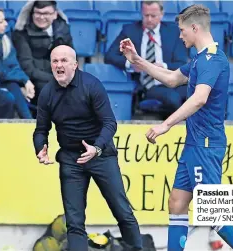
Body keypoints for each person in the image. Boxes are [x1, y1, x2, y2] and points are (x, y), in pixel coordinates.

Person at [120, 4, 233, 251]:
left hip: (205, 145)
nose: (179, 36)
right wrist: (138, 60)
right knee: (177, 202)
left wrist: (166, 125)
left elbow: (200, 98)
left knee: (214, 214)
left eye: (182, 31)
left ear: (194, 28)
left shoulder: (212, 60)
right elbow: (171, 79)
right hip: (194, 144)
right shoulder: (200, 59)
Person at [33, 45, 142, 251]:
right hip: (70, 159)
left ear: (75, 64)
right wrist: (41, 147)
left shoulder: (92, 85)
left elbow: (110, 123)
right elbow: (41, 129)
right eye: (55, 61)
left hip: (101, 155)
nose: (59, 65)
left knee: (122, 211)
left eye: (64, 61)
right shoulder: (47, 92)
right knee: (74, 222)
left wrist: (96, 148)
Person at [105, 0, 187, 116]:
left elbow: (182, 63)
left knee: (200, 92)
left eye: (153, 16)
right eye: (145, 15)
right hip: (150, 85)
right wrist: (132, 64)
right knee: (173, 98)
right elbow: (109, 56)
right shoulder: (130, 31)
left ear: (162, 14)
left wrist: (162, 66)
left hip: (172, 79)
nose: (149, 19)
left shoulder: (173, 32)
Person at [12, 0, 73, 105]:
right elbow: (27, 67)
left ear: (55, 14)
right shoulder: (22, 33)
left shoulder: (63, 30)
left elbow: (70, 59)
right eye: (37, 13)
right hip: (35, 81)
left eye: (46, 13)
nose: (41, 17)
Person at [0, 7, 35, 119]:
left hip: (5, 82)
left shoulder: (5, 41)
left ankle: (29, 121)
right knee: (12, 90)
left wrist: (26, 81)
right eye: (1, 22)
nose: (6, 24)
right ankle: (29, 121)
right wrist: (22, 81)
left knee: (13, 86)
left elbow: (13, 65)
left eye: (5, 20)